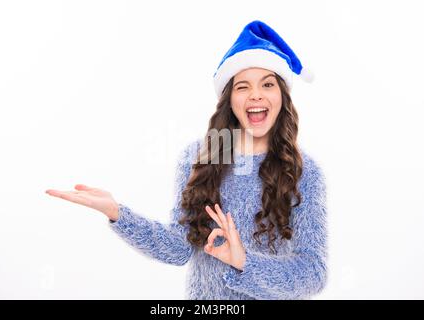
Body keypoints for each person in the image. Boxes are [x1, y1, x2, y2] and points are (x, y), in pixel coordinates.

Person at [46, 20, 327, 300]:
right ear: (230, 99)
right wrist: (118, 214)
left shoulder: (305, 172)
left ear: (282, 96)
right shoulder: (198, 159)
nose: (255, 94)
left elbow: (313, 273)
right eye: (243, 86)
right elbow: (179, 248)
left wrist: (245, 263)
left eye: (267, 84)